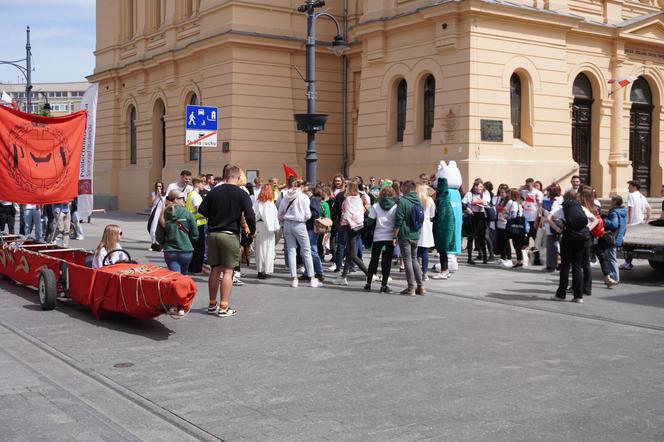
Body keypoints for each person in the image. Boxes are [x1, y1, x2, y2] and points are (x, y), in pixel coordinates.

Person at [199, 165, 255, 317]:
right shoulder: (242, 193)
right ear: (237, 177)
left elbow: (201, 210)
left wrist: (215, 216)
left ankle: (212, 304)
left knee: (215, 270)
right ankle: (224, 307)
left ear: (224, 176)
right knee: (228, 272)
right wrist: (251, 232)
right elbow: (250, 215)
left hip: (213, 234)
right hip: (230, 235)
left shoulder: (214, 191)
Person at [548, 190, 597, 303]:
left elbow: (548, 218)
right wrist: (588, 229)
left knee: (565, 266)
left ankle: (561, 294)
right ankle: (578, 296)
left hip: (568, 238)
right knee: (577, 266)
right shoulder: (581, 208)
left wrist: (558, 229)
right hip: (582, 238)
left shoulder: (563, 209)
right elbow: (595, 220)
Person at [278, 178, 320, 288]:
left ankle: (294, 278)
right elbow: (308, 215)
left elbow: (280, 214)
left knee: (291, 251)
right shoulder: (303, 197)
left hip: (287, 223)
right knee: (306, 250)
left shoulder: (285, 197)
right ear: (300, 186)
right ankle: (312, 278)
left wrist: (284, 220)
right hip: (299, 224)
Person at [333, 181, 368, 285]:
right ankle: (343, 276)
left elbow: (347, 214)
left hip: (350, 227)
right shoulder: (358, 198)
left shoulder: (348, 199)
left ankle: (369, 273)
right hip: (358, 226)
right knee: (349, 252)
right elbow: (361, 211)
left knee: (352, 254)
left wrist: (350, 225)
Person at [156, 190, 198, 275]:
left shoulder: (163, 214)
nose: (185, 200)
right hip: (186, 251)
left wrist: (165, 244)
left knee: (175, 276)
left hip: (170, 251)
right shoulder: (187, 213)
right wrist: (188, 243)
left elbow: (159, 236)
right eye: (182, 198)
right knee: (184, 275)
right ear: (176, 199)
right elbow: (195, 234)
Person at [394, 180, 425, 296]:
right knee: (414, 259)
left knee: (407, 260)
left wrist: (394, 235)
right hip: (416, 235)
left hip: (405, 235)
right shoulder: (419, 201)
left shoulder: (403, 201)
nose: (401, 189)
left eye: (402, 187)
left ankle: (411, 287)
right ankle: (421, 287)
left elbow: (399, 219)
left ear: (407, 188)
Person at [365, 187, 397, 292]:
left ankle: (368, 283)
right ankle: (384, 285)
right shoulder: (395, 207)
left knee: (374, 260)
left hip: (378, 237)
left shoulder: (375, 206)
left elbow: (369, 222)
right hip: (390, 237)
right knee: (386, 262)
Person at [621, 180, 651, 270]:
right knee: (634, 243)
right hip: (640, 222)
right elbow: (649, 209)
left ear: (634, 187)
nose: (628, 188)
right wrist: (647, 220)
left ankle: (627, 263)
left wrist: (629, 222)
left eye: (629, 186)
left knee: (627, 244)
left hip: (633, 223)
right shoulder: (642, 196)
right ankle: (628, 262)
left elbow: (631, 208)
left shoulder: (631, 195)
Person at [254, 184, 280, 279]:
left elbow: (253, 214)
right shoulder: (270, 204)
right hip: (268, 229)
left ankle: (260, 271)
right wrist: (276, 228)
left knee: (259, 249)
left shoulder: (257, 203)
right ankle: (266, 270)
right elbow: (274, 219)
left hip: (258, 226)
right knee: (268, 249)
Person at [463, 180, 489, 264]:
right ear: (474, 186)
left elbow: (487, 203)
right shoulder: (469, 194)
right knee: (471, 237)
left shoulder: (485, 194)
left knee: (482, 237)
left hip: (481, 216)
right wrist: (467, 209)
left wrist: (481, 203)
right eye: (477, 186)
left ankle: (484, 256)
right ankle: (469, 258)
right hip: (472, 216)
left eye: (481, 186)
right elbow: (463, 204)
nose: (478, 188)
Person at [603, 195, 627, 284]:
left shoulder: (614, 212)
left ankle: (615, 278)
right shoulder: (623, 211)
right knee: (611, 257)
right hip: (618, 237)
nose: (610, 202)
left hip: (612, 238)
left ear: (615, 202)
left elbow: (614, 224)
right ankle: (613, 277)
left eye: (611, 200)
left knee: (611, 258)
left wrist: (604, 220)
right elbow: (624, 226)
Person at [185, 177, 208, 274]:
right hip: (198, 225)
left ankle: (191, 267)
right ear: (197, 183)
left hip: (192, 224)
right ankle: (196, 268)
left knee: (193, 247)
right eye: (202, 182)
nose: (204, 184)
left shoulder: (190, 194)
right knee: (199, 248)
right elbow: (200, 209)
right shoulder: (196, 196)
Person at [303, 184, 324, 282]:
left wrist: (306, 212)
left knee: (312, 251)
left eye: (305, 191)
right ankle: (308, 272)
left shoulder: (313, 199)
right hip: (307, 228)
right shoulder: (308, 200)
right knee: (306, 251)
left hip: (311, 228)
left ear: (310, 191)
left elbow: (316, 214)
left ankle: (319, 272)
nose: (303, 193)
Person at [520, 178, 544, 266]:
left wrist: (538, 218)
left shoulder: (538, 193)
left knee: (535, 239)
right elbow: (518, 192)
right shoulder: (524, 192)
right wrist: (523, 187)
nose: (527, 187)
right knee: (525, 240)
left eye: (529, 185)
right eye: (526, 185)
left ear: (533, 184)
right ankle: (525, 260)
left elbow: (540, 205)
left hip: (534, 219)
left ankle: (537, 259)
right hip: (526, 218)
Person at [416, 183, 436, 280]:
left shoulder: (416, 200)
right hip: (426, 226)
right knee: (424, 251)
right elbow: (432, 214)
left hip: (417, 226)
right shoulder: (430, 200)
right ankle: (424, 273)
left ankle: (417, 271)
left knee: (415, 251)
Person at [541, 183, 563, 271]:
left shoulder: (559, 200)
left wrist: (546, 213)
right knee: (550, 245)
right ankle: (550, 265)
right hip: (547, 224)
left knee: (558, 246)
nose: (548, 192)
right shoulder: (545, 199)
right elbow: (542, 210)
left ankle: (557, 264)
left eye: (550, 190)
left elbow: (557, 214)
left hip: (556, 224)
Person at [505, 189, 525, 268]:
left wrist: (506, 217)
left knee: (516, 244)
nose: (508, 195)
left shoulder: (514, 203)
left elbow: (513, 215)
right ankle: (519, 260)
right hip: (520, 226)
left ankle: (519, 261)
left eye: (510, 194)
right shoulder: (519, 203)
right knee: (518, 244)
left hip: (515, 225)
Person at [493, 184, 510, 264]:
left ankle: (509, 258)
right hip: (499, 222)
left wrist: (503, 210)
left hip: (505, 223)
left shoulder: (509, 202)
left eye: (503, 192)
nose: (501, 194)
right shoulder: (500, 200)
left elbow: (508, 212)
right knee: (501, 241)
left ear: (507, 193)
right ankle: (503, 257)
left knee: (506, 241)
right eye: (500, 193)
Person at [149, 181, 166, 251]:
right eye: (157, 186)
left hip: (161, 211)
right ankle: (154, 244)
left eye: (160, 186)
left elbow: (164, 202)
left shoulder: (165, 194)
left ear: (162, 187)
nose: (159, 187)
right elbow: (153, 203)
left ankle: (160, 245)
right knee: (153, 229)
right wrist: (157, 195)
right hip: (155, 212)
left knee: (160, 228)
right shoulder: (154, 193)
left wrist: (161, 195)